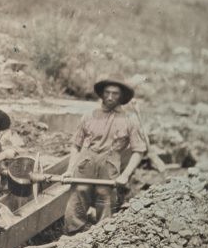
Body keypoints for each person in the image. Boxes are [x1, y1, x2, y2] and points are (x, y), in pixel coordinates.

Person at [63, 77, 147, 234]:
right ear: (101, 94)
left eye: (115, 94)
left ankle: (101, 240)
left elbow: (139, 150)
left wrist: (125, 175)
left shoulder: (130, 120)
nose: (110, 97)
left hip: (109, 165)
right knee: (77, 199)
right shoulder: (89, 115)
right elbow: (76, 145)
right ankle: (72, 238)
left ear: (121, 97)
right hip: (85, 163)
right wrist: (70, 169)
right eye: (107, 93)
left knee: (105, 200)